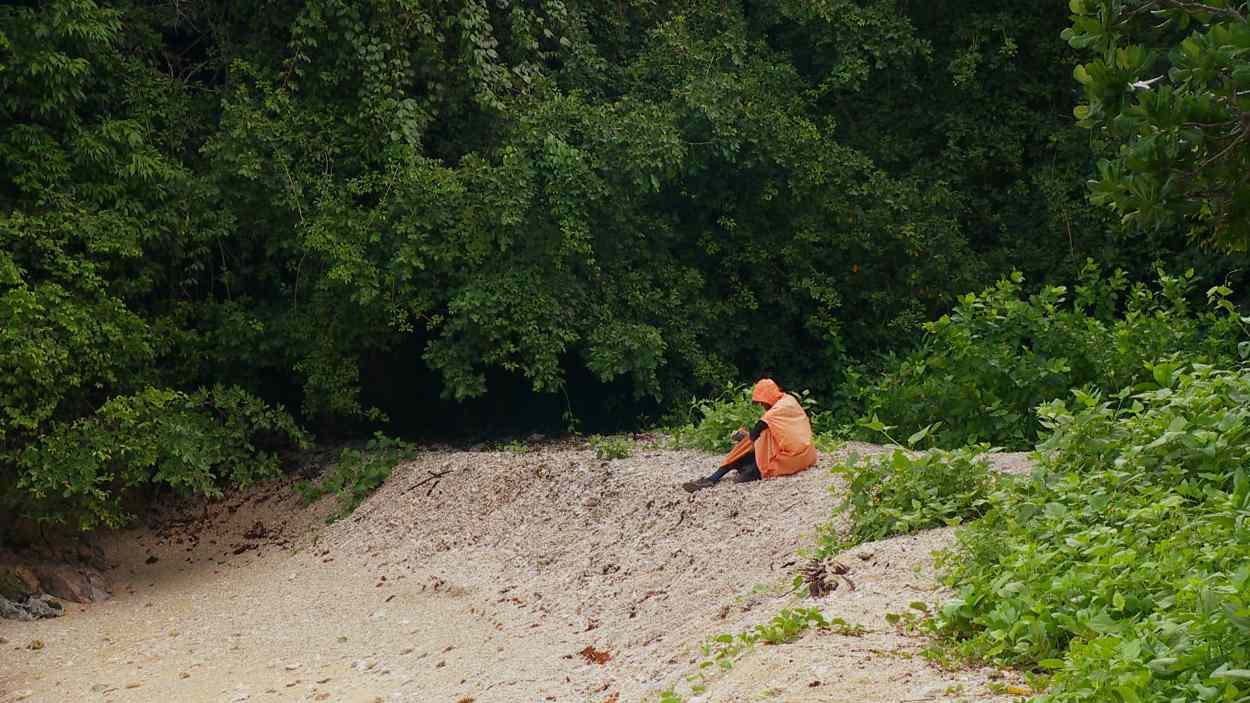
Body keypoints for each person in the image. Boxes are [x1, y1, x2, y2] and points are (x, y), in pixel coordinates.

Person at [682, 378, 817, 492]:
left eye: (762, 402)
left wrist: (745, 440)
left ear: (767, 397)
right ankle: (719, 476)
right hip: (806, 456)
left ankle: (713, 478)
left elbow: (756, 431)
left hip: (786, 460)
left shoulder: (777, 411)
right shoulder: (789, 401)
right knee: (758, 440)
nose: (762, 406)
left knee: (756, 439)